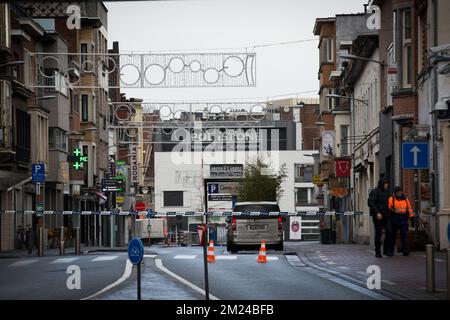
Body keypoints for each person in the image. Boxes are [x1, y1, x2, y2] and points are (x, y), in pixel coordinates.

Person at [368, 178, 392, 258]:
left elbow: (390, 203)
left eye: (387, 184)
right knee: (378, 233)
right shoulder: (375, 192)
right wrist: (377, 212)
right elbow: (370, 202)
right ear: (382, 184)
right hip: (378, 216)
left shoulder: (388, 193)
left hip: (386, 215)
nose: (387, 185)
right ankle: (377, 251)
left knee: (389, 231)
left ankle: (386, 250)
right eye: (385, 184)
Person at [388, 186, 415, 256]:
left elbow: (409, 208)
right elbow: (389, 208)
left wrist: (412, 218)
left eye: (400, 191)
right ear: (395, 193)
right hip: (394, 218)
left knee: (404, 236)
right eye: (398, 192)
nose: (399, 193)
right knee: (393, 236)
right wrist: (394, 211)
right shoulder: (391, 199)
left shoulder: (405, 199)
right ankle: (391, 251)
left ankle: (405, 251)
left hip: (403, 219)